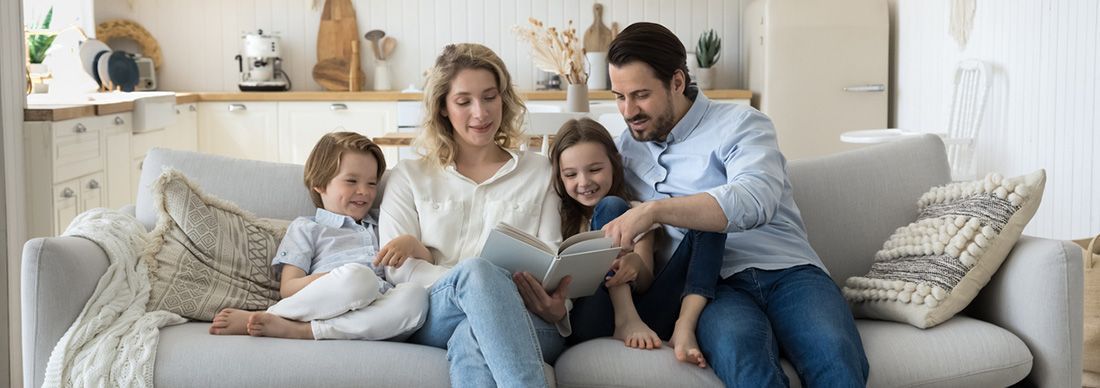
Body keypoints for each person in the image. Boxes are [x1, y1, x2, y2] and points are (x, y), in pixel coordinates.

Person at [599, 22, 870, 387]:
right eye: (619, 96)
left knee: (835, 355)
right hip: (713, 288)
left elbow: (753, 200)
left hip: (789, 271)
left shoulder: (743, 124)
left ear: (677, 82)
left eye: (641, 95)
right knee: (743, 360)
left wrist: (653, 210)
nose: (628, 110)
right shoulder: (627, 148)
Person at [376, 43, 568, 388]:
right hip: (435, 313)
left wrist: (552, 303)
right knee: (478, 273)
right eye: (464, 101)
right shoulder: (409, 175)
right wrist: (472, 284)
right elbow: (398, 270)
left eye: (489, 97)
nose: (480, 113)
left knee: (472, 336)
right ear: (444, 108)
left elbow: (550, 257)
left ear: (503, 99)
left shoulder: (539, 171)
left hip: (527, 317)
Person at [209, 132, 428, 341]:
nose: (364, 191)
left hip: (374, 310)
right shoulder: (307, 227)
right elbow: (288, 287)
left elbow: (427, 264)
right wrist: (335, 276)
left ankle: (307, 331)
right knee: (360, 277)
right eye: (351, 181)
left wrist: (411, 244)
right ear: (320, 184)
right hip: (336, 295)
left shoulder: (384, 222)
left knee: (416, 297)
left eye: (372, 183)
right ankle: (277, 315)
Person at [553, 118, 725, 367]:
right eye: (571, 174)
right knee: (609, 207)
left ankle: (682, 326)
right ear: (560, 176)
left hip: (647, 317)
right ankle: (625, 319)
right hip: (591, 318)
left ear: (614, 164)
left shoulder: (636, 213)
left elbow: (645, 281)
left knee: (711, 221)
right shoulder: (560, 217)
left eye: (594, 170)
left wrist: (634, 263)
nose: (583, 182)